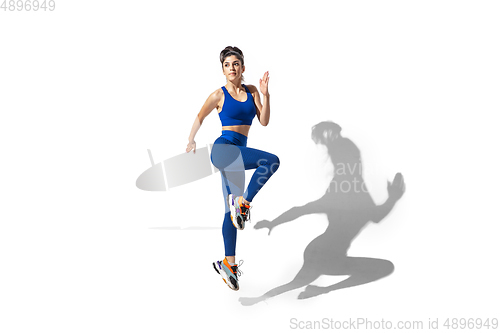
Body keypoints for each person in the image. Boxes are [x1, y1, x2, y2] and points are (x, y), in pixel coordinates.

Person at [186, 46, 280, 291]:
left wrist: (266, 95)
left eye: (235, 63)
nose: (231, 68)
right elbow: (200, 115)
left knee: (231, 211)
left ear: (243, 67)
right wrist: (191, 139)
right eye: (227, 64)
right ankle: (243, 203)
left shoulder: (251, 91)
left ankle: (229, 264)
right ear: (223, 69)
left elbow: (264, 121)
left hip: (239, 152)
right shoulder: (219, 95)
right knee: (271, 161)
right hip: (223, 150)